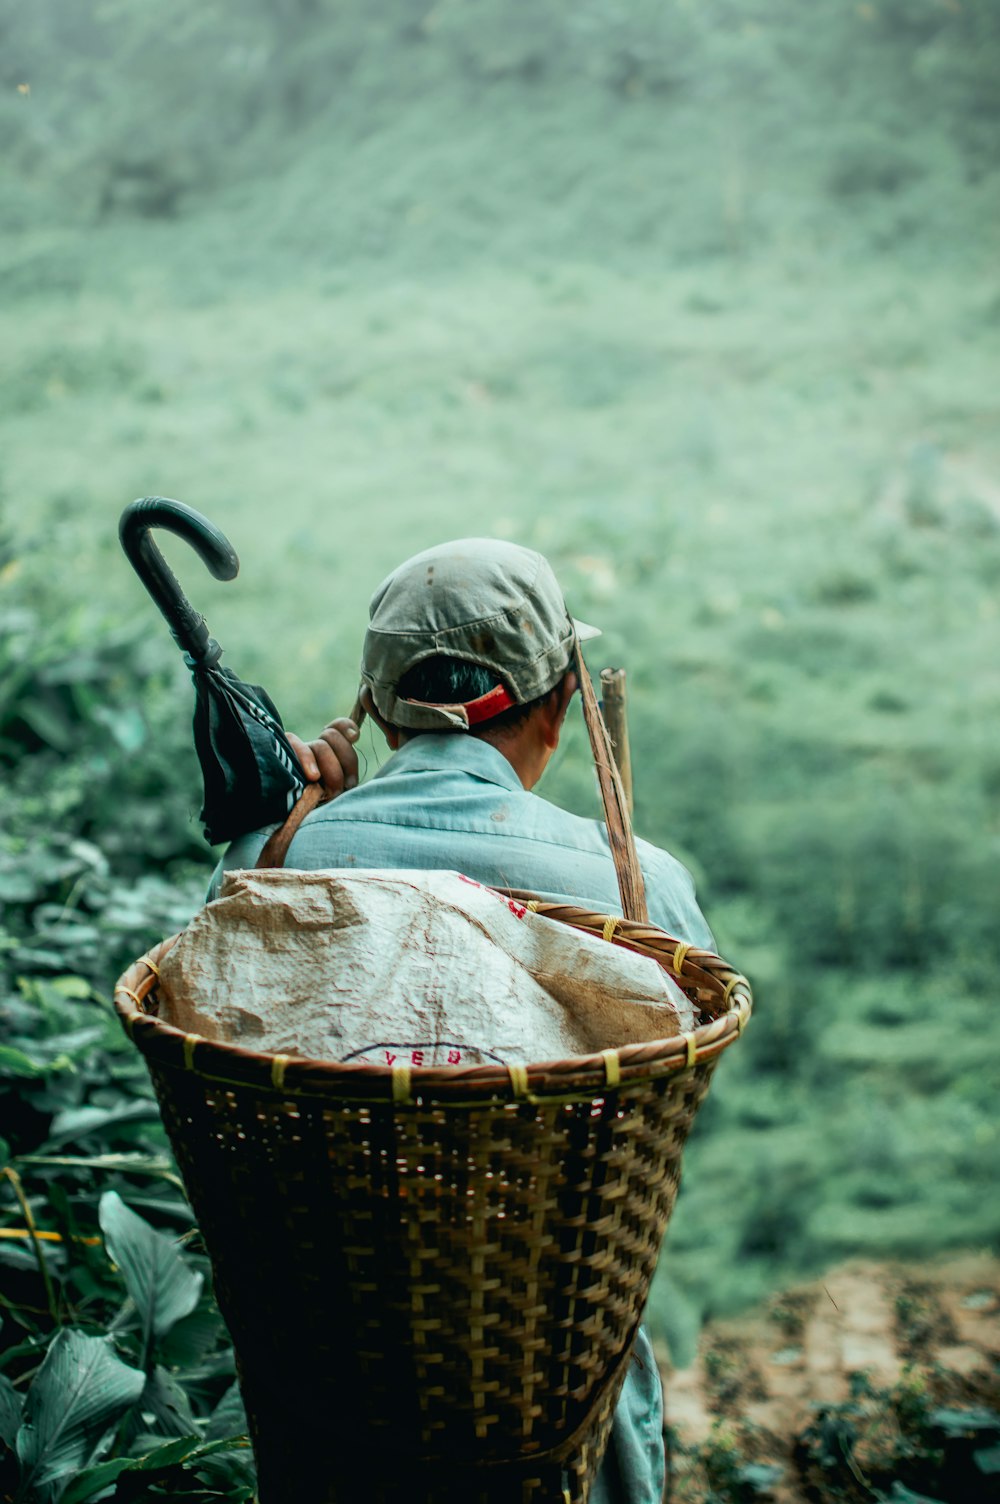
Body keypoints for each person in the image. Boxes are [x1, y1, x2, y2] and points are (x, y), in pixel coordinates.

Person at [214, 537, 714, 1504]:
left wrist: (314, 829)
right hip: (558, 1381)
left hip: (331, 1366)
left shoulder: (267, 865)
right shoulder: (637, 888)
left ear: (379, 712)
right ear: (563, 702)